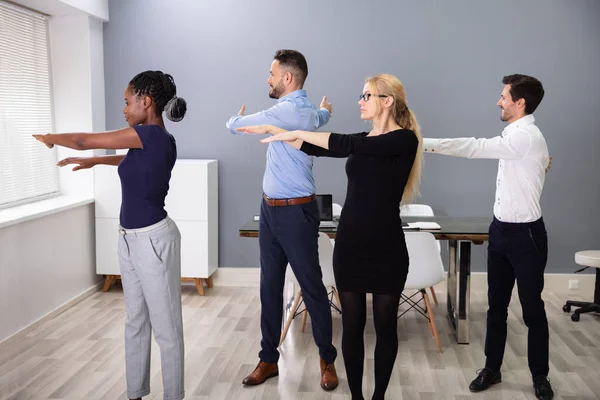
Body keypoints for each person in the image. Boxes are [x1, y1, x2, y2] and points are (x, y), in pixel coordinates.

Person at [237, 73, 423, 400]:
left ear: (387, 101)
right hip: (350, 246)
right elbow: (315, 147)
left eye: (367, 95)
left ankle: (378, 396)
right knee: (351, 327)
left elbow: (348, 144)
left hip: (386, 248)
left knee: (385, 327)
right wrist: (276, 131)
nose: (360, 101)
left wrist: (292, 130)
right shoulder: (366, 139)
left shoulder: (403, 141)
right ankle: (357, 398)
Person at [33, 71, 187, 400]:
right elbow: (132, 161)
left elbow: (85, 140)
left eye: (127, 102)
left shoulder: (153, 136)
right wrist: (96, 163)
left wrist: (51, 136)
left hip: (153, 242)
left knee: (167, 330)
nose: (124, 109)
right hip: (129, 240)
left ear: (146, 103)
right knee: (135, 322)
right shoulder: (149, 142)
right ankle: (135, 393)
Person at [421, 74, 553, 400]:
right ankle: (492, 369)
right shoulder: (517, 135)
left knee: (532, 309)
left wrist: (421, 142)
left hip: (526, 236)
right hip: (501, 232)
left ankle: (540, 377)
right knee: (496, 308)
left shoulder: (527, 137)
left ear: (520, 102)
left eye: (504, 96)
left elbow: (475, 147)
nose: (499, 101)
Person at [225, 49, 338, 390]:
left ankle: (327, 361)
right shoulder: (308, 112)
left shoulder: (286, 111)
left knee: (313, 288)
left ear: (288, 78)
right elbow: (319, 118)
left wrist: (234, 119)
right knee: (269, 288)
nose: (268, 80)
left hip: (296, 212)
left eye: (272, 74)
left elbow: (237, 126)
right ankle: (268, 360)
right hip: (270, 211)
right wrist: (325, 111)